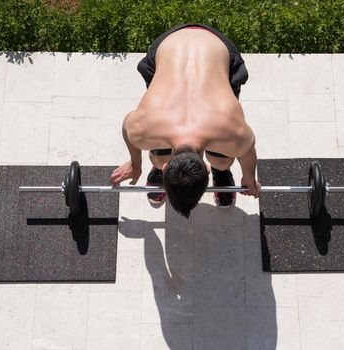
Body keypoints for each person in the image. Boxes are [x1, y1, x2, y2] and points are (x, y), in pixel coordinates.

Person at [109, 23, 260, 218]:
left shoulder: (232, 131)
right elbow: (127, 125)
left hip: (217, 50)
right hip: (170, 47)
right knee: (160, 153)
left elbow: (247, 151)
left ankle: (221, 172)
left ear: (205, 169)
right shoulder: (143, 128)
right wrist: (135, 163)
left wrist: (249, 177)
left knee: (222, 160)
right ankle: (158, 163)